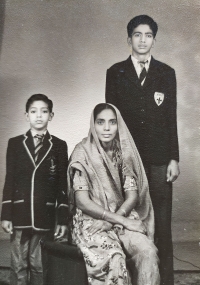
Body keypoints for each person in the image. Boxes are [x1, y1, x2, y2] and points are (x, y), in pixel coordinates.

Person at [105, 15, 180, 285]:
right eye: (137, 34)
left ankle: (166, 280)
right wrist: (112, 158)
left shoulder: (166, 73)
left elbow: (170, 117)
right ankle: (131, 278)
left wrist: (174, 158)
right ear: (129, 39)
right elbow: (110, 120)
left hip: (160, 160)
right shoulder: (115, 72)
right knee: (129, 218)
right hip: (127, 159)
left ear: (154, 40)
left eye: (148, 35)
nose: (143, 40)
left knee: (161, 221)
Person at [68, 103, 160, 285]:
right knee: (114, 258)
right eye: (101, 122)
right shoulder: (82, 152)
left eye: (112, 122)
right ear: (93, 125)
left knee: (148, 251)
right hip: (91, 220)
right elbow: (82, 201)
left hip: (120, 214)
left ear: (119, 125)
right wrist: (122, 221)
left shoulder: (123, 152)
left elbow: (132, 195)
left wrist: (116, 219)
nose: (107, 128)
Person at [1, 94, 68, 285]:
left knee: (39, 265)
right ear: (26, 115)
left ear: (51, 115)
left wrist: (62, 218)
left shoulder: (59, 146)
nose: (39, 116)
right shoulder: (15, 144)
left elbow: (62, 184)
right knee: (19, 264)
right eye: (33, 111)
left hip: (44, 214)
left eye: (44, 111)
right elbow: (10, 180)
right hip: (19, 213)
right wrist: (6, 214)